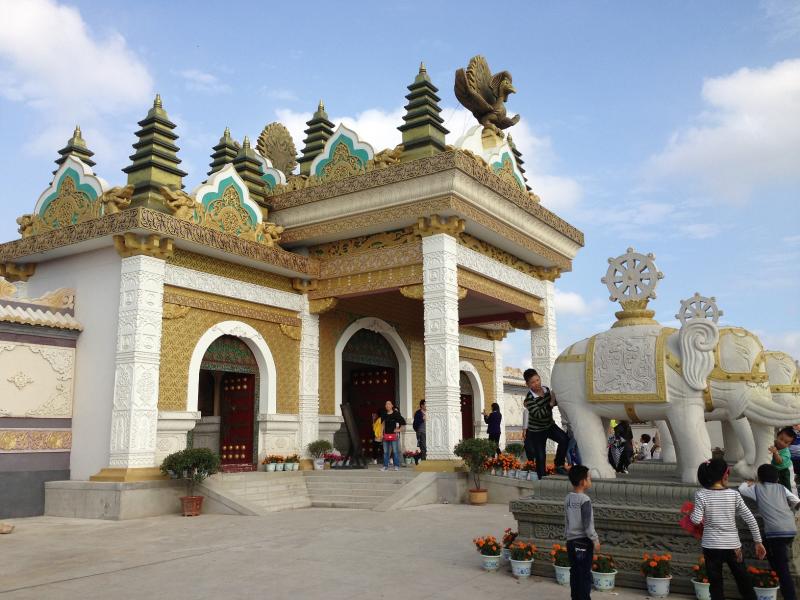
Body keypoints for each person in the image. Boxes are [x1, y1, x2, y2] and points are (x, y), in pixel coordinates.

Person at [690, 458, 767, 600]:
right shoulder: (734, 494)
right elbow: (750, 519)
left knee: (715, 585)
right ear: (725, 475)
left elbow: (695, 519)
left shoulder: (701, 494)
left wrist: (691, 514)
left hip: (711, 547)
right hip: (733, 547)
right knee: (743, 581)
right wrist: (758, 542)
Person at [739, 464, 800, 600]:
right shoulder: (782, 488)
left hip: (775, 532)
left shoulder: (756, 488)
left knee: (783, 569)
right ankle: (777, 565)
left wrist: (751, 482)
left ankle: (790, 597)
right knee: (768, 547)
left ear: (759, 478)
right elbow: (796, 501)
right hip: (790, 529)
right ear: (777, 478)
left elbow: (742, 488)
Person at [522, 368, 569, 479]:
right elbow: (539, 414)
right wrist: (551, 403)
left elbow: (553, 402)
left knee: (564, 439)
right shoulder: (529, 399)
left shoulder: (546, 389)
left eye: (537, 380)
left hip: (549, 425)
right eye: (532, 382)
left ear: (539, 378)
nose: (536, 383)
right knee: (540, 457)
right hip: (537, 431)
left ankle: (559, 465)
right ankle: (542, 479)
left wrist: (557, 399)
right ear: (527, 384)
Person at [564, 465, 599, 600]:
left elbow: (566, 519)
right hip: (583, 542)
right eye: (589, 478)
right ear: (582, 482)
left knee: (575, 572)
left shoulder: (568, 498)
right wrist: (595, 539)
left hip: (571, 542)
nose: (590, 481)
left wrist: (567, 536)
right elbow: (587, 523)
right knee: (584, 574)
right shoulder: (585, 500)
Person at [379, 400, 405, 472]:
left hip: (394, 436)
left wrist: (398, 430)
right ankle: (385, 466)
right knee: (385, 452)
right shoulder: (384, 414)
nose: (387, 405)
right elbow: (383, 425)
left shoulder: (396, 414)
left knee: (395, 451)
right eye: (386, 404)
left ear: (392, 405)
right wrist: (381, 434)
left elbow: (403, 422)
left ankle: (396, 466)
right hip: (386, 435)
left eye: (389, 404)